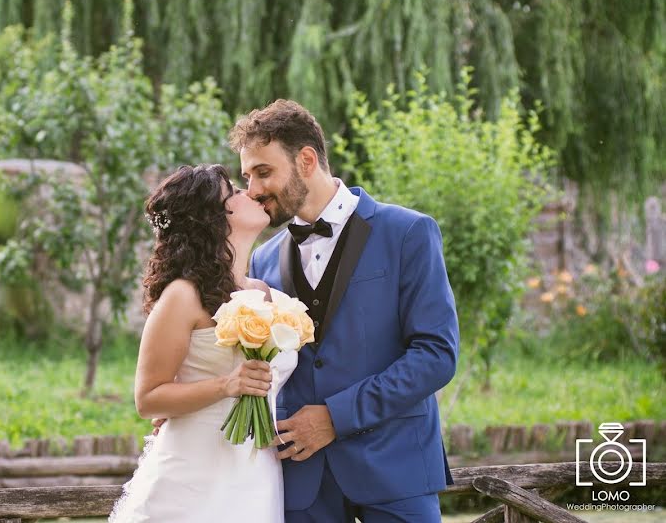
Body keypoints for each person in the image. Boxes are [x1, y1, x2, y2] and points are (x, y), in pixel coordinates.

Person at [232, 99, 460, 522]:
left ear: (306, 160)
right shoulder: (262, 262)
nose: (253, 190)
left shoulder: (408, 233)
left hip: (396, 469)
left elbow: (436, 356)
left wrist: (336, 418)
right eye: (247, 176)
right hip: (300, 481)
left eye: (263, 172)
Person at [108, 164, 284, 523]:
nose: (249, 193)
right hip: (192, 476)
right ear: (212, 219)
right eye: (233, 191)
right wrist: (226, 385)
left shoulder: (266, 293)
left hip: (255, 474)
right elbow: (148, 398)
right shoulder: (183, 296)